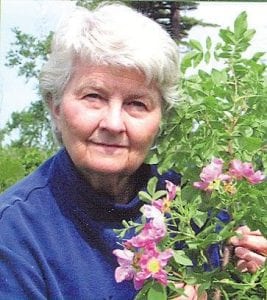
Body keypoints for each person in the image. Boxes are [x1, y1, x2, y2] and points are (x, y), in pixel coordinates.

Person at [0, 2, 266, 299]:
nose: (114, 123)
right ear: (56, 106)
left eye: (137, 104)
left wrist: (244, 272)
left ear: (161, 118)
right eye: (93, 96)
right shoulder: (13, 233)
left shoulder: (196, 206)